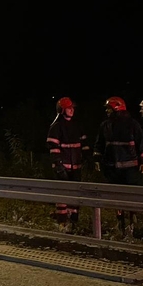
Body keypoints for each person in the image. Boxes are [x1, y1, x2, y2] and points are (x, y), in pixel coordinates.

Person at [93, 96, 143, 237]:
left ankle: (131, 223)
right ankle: (120, 224)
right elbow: (99, 143)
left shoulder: (132, 124)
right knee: (116, 198)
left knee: (129, 197)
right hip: (112, 168)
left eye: (109, 108)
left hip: (130, 168)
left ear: (116, 108)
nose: (107, 111)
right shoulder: (105, 125)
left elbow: (142, 143)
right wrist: (97, 158)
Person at [46, 97, 89, 231]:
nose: (72, 110)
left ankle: (74, 222)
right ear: (62, 110)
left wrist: (87, 157)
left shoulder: (77, 125)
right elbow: (53, 147)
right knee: (62, 197)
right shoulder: (56, 126)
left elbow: (84, 144)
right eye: (69, 108)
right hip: (62, 167)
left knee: (75, 197)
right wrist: (58, 165)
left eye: (72, 108)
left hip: (76, 167)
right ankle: (62, 223)